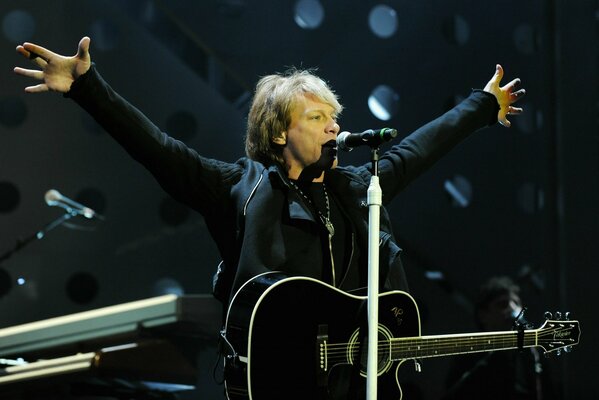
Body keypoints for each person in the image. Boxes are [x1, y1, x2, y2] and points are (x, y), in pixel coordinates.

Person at [14, 37, 525, 398]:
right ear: (280, 133)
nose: (334, 128)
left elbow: (417, 150)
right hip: (278, 385)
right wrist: (87, 88)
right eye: (318, 118)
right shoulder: (238, 187)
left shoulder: (358, 186)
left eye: (335, 118)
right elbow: (158, 149)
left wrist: (483, 105)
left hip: (357, 385)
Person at [442, 276, 555, 400]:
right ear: (483, 315)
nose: (513, 309)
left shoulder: (533, 354)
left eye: (517, 304)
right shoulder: (467, 355)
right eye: (502, 304)